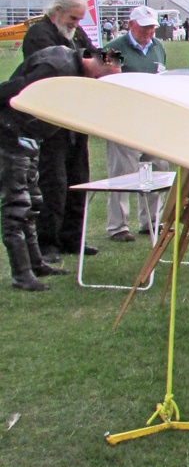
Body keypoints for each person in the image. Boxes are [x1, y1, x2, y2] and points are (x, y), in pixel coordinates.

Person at [0, 46, 122, 290]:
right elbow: (16, 90)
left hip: (29, 136)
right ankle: (21, 274)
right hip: (11, 134)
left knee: (33, 202)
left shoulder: (75, 68)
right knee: (16, 207)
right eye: (100, 78)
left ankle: (35, 264)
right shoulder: (57, 67)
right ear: (94, 62)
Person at [22, 0, 96, 262]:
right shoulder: (38, 34)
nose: (76, 23)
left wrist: (105, 61)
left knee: (79, 179)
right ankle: (48, 241)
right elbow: (57, 68)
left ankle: (73, 237)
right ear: (57, 12)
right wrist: (87, 63)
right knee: (53, 181)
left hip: (75, 118)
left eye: (79, 19)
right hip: (49, 120)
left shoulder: (75, 34)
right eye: (72, 18)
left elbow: (99, 57)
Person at [104, 6, 169, 243]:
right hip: (123, 119)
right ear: (131, 25)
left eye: (152, 27)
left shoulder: (159, 47)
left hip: (152, 119)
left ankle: (151, 220)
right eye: (145, 27)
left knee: (158, 168)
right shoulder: (113, 48)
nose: (150, 31)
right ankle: (117, 226)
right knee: (122, 173)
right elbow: (105, 81)